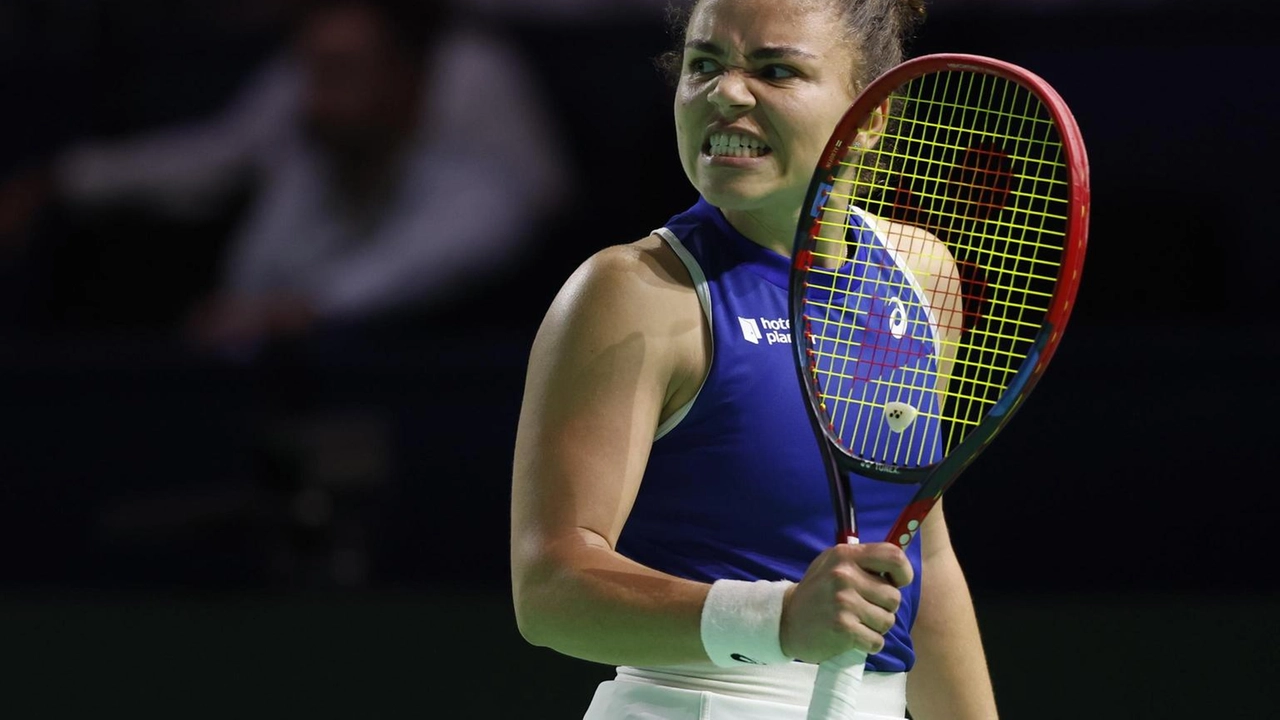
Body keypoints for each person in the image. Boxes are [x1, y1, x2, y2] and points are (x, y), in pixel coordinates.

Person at [510, 0, 998, 718]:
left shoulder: (922, 275)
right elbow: (551, 590)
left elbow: (922, 554)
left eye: (775, 70)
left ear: (870, 118)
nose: (726, 93)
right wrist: (777, 619)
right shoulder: (638, 293)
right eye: (705, 65)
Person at [0, 0, 570, 353]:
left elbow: (500, 218)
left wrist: (310, 307)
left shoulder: (475, 161)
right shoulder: (302, 163)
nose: (316, 98)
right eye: (313, 73)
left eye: (342, 72)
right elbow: (220, 164)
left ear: (409, 80)